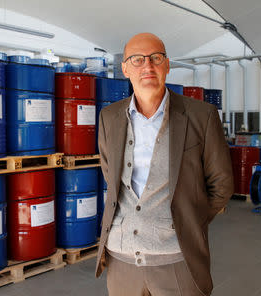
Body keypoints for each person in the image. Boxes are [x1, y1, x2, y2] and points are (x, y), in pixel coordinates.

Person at [95, 32, 234, 296]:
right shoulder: (109, 117)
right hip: (121, 261)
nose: (147, 66)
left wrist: (189, 219)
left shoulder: (200, 116)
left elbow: (222, 184)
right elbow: (110, 175)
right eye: (137, 60)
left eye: (155, 58)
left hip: (177, 260)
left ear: (167, 65)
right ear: (125, 68)